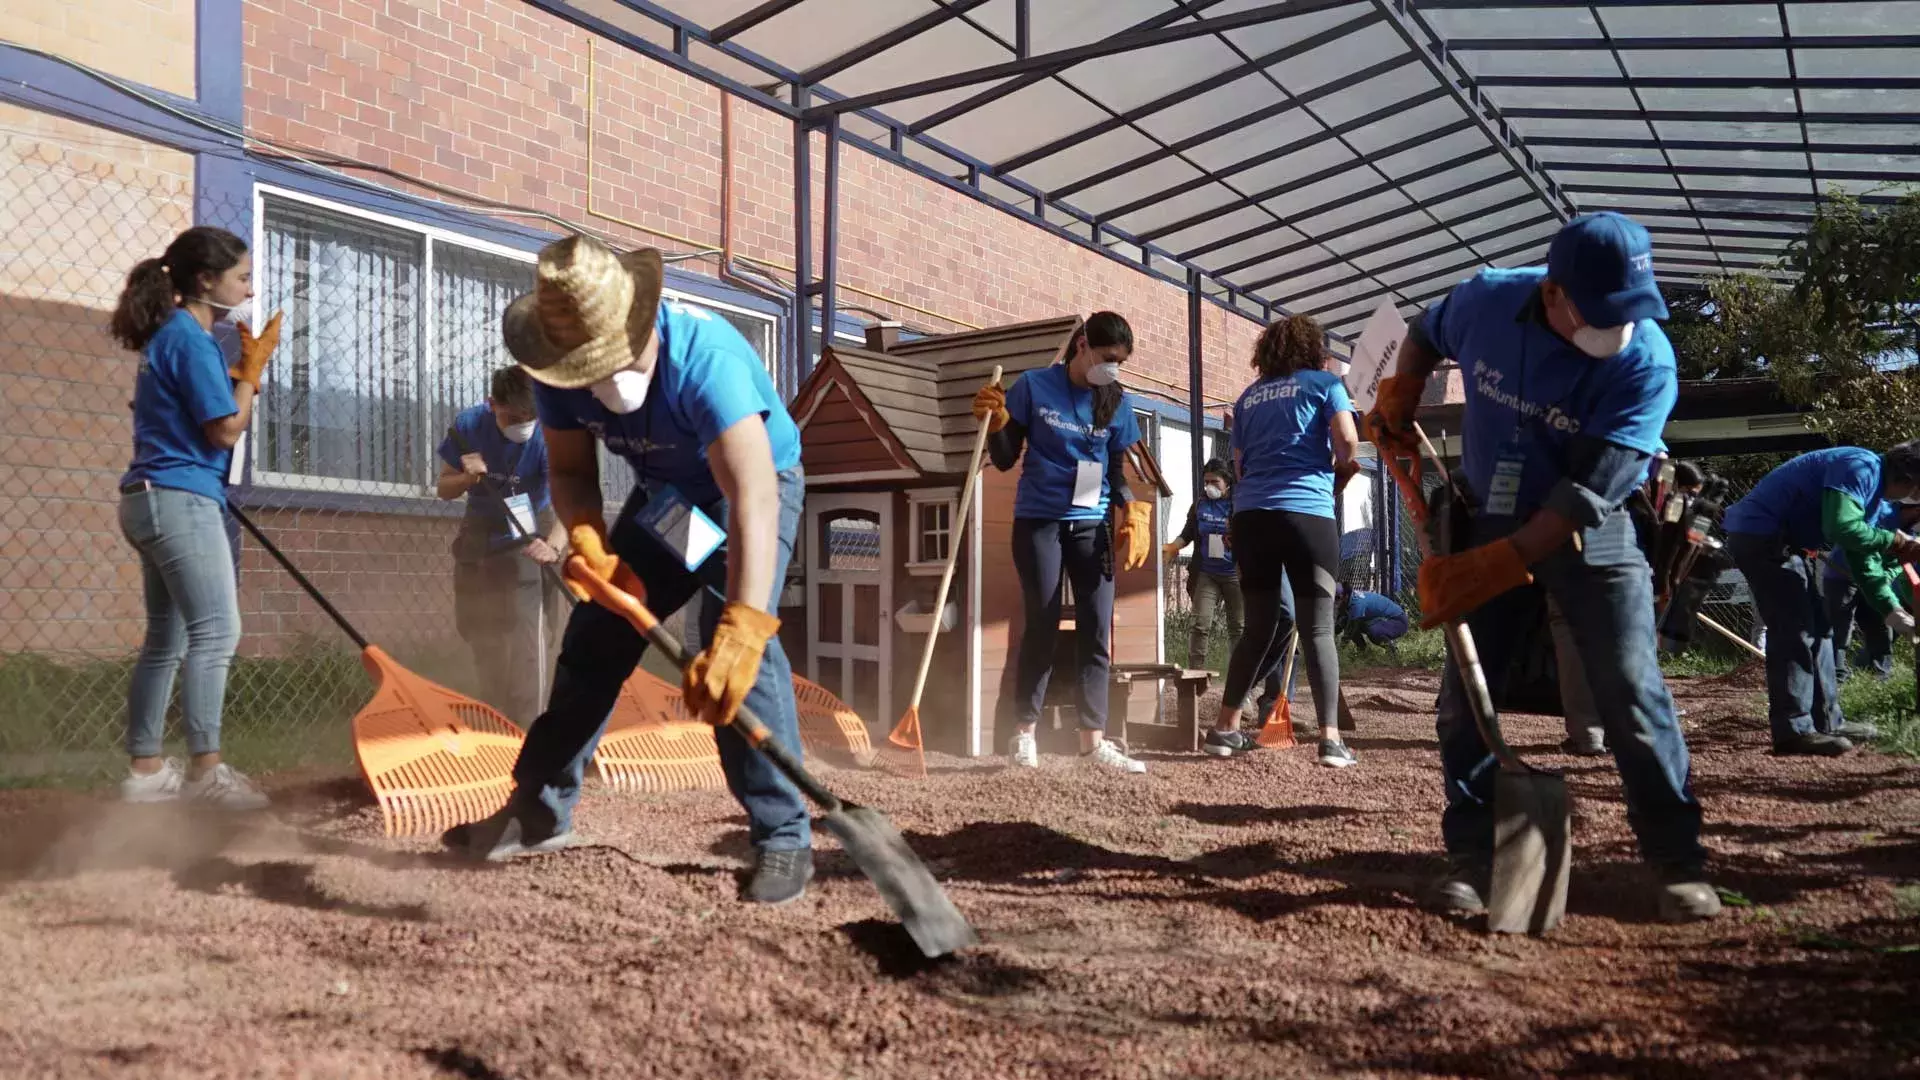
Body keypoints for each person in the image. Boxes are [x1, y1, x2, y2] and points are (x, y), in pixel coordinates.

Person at [440, 235, 816, 906]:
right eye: (585, 369)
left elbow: (751, 493)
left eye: (609, 362)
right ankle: (536, 814)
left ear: (640, 322)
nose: (600, 382)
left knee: (732, 651)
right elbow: (575, 472)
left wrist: (745, 622)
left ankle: (783, 835)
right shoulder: (555, 372)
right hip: (672, 502)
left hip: (752, 489)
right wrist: (589, 542)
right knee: (596, 637)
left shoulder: (708, 361)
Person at [1367, 210, 1719, 923]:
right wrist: (1403, 389)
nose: (1616, 331)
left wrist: (1503, 561)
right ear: (1554, 293)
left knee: (1628, 685)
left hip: (1592, 528)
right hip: (1491, 507)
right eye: (1600, 314)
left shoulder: (1646, 362)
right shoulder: (1488, 297)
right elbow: (1426, 333)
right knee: (1465, 696)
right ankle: (1471, 857)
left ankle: (1677, 862)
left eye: (1631, 312)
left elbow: (1588, 491)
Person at [108, 225, 277, 810]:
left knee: (167, 639)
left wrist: (238, 374)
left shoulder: (173, 336)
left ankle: (147, 773)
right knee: (216, 631)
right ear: (207, 281)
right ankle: (207, 773)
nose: (250, 291)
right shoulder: (191, 339)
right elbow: (225, 428)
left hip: (150, 498)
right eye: (243, 278)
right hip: (180, 498)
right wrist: (251, 375)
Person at [972, 312, 1154, 774]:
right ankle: (1023, 735)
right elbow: (1007, 457)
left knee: (1096, 628)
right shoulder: (1033, 386)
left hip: (1090, 523)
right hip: (1040, 521)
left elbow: (1114, 470)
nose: (1113, 369)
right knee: (1043, 622)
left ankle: (1093, 743)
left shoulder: (1116, 401)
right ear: (1082, 347)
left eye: (1120, 363)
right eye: (1108, 358)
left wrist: (1131, 507)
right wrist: (996, 424)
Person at [1206, 314, 1361, 768]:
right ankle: (1331, 741)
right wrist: (1337, 472)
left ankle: (1224, 730)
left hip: (1251, 516)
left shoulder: (1249, 397)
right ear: (1313, 349)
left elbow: (1238, 468)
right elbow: (1348, 445)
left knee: (1258, 626)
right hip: (1306, 514)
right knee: (1317, 628)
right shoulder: (1325, 384)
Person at [1722, 443, 1920, 756]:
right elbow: (1840, 527)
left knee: (1822, 631)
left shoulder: (1874, 498)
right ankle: (1793, 730)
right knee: (1795, 630)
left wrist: (1893, 612)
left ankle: (1828, 721)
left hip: (1788, 544)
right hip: (1763, 536)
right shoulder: (1862, 467)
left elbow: (1864, 560)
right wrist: (1896, 540)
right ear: (1910, 479)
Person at [436, 365, 567, 727]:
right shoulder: (468, 426)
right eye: (513, 417)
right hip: (481, 527)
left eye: (529, 417)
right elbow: (443, 488)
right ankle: (494, 720)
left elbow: (569, 505)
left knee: (528, 632)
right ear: (491, 404)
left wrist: (553, 547)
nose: (522, 425)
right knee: (483, 630)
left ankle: (530, 729)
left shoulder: (548, 436)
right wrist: (466, 477)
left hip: (531, 531)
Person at [1163, 459, 1289, 716]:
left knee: (1240, 629)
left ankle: (1240, 685)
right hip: (1207, 573)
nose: (1209, 486)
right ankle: (1194, 679)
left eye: (1214, 482)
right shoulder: (1199, 505)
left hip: (1234, 573)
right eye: (1206, 481)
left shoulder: (1237, 506)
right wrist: (1173, 546)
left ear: (1227, 483)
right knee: (1200, 624)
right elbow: (1188, 533)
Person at [1822, 501, 1917, 684]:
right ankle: (1835, 677)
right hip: (1841, 577)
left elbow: (1898, 563)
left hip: (1875, 581)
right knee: (1839, 629)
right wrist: (1866, 574)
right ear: (1915, 509)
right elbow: (1856, 542)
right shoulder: (1878, 512)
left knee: (1881, 627)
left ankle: (1880, 675)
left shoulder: (1910, 531)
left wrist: (1885, 576)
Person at [1336, 584, 1409, 650]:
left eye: (1337, 598)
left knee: (1372, 631)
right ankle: (1362, 649)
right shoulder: (1349, 600)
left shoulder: (1357, 604)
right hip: (1384, 621)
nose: (1335, 601)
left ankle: (1392, 651)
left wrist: (1339, 650)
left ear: (1346, 596)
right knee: (1345, 621)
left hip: (1398, 622)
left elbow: (1350, 630)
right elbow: (1338, 627)